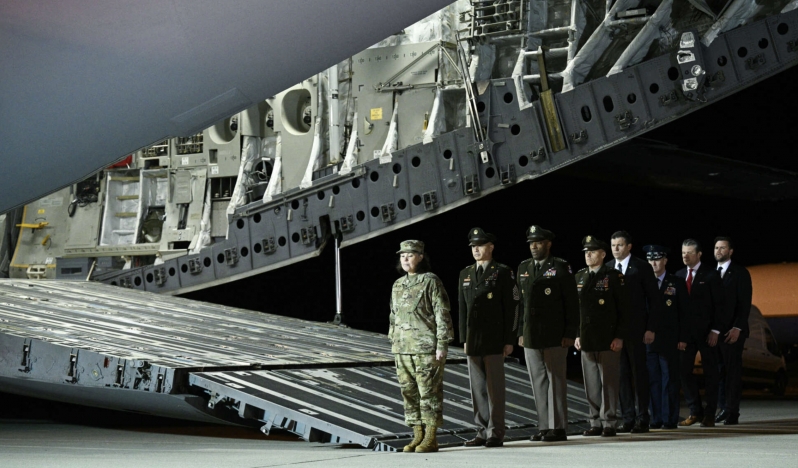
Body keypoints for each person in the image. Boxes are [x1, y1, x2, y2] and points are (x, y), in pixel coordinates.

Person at [389, 240, 454, 453]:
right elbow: (393, 316)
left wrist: (442, 343)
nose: (405, 259)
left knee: (429, 393)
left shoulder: (430, 281)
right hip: (402, 348)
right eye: (402, 256)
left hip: (426, 347)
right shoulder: (398, 284)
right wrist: (393, 341)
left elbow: (442, 312)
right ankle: (417, 434)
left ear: (420, 257)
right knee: (408, 393)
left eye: (410, 255)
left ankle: (431, 437)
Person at [516, 225, 579, 442]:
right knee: (538, 382)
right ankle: (544, 426)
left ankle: (558, 427)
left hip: (555, 334)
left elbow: (572, 303)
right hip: (531, 334)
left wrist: (570, 332)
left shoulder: (560, 266)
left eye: (539, 243)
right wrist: (520, 332)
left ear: (548, 244)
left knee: (556, 382)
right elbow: (520, 304)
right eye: (531, 243)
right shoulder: (523, 267)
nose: (534, 247)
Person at [458, 228, 519, 448]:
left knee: (495, 389)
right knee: (477, 389)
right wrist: (464, 338)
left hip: (494, 338)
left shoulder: (502, 271)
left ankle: (496, 432)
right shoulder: (465, 273)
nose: (476, 250)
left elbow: (512, 307)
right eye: (473, 246)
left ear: (491, 247)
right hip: (473, 339)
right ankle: (481, 431)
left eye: (480, 246)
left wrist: (509, 339)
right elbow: (462, 309)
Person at [575, 236, 630, 437]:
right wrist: (576, 334)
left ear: (603, 254)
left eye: (592, 251)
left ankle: (609, 422)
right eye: (586, 252)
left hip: (608, 339)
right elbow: (576, 310)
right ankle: (595, 422)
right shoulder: (580, 276)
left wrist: (619, 336)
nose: (588, 255)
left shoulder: (613, 276)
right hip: (586, 338)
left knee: (608, 383)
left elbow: (624, 309)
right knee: (591, 384)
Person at [608, 231, 661, 433]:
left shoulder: (641, 267)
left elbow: (654, 300)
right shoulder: (608, 268)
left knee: (639, 375)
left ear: (629, 246)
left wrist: (651, 328)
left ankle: (642, 417)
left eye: (620, 245)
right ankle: (628, 417)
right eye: (613, 245)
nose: (616, 249)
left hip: (637, 331)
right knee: (621, 375)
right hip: (616, 333)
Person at [675, 239, 725, 428]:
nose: (685, 256)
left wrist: (715, 330)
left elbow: (720, 306)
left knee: (711, 373)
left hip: (707, 334)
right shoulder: (679, 276)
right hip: (686, 335)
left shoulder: (711, 275)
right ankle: (695, 410)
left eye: (689, 252)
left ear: (699, 254)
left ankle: (710, 413)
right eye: (683, 253)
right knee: (683, 371)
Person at [643, 244, 688, 430]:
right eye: (650, 259)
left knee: (669, 379)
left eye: (657, 259)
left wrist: (683, 338)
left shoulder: (676, 282)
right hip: (649, 340)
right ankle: (656, 418)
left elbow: (684, 312)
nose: (653, 263)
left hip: (670, 339)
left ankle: (669, 418)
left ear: (665, 260)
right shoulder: (643, 282)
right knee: (652, 379)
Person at [713, 237, 752, 425]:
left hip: (733, 332)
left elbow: (745, 303)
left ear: (730, 251)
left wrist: (737, 327)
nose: (718, 251)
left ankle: (732, 412)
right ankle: (722, 407)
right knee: (718, 372)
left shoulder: (740, 273)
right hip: (715, 333)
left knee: (732, 373)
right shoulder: (711, 273)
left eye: (722, 248)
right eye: (716, 248)